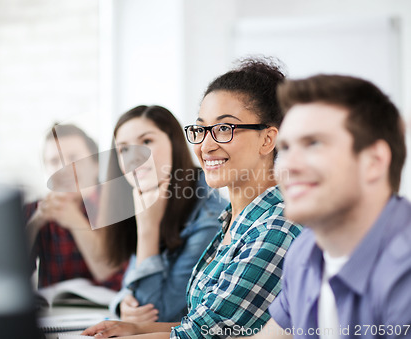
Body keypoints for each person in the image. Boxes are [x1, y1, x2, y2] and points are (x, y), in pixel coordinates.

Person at [82, 57, 303, 339]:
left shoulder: (276, 226)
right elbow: (205, 325)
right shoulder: (234, 221)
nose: (206, 145)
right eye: (201, 130)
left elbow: (203, 337)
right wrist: (135, 327)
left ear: (267, 140)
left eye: (224, 128)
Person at [248, 74, 411, 338]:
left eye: (313, 143)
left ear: (374, 161)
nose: (288, 166)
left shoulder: (404, 271)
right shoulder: (305, 251)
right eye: (286, 148)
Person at [99, 105, 226, 322]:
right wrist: (121, 304)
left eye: (147, 142)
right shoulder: (149, 198)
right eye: (124, 149)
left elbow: (158, 313)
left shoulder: (209, 215)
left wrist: (148, 229)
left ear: (174, 144)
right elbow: (131, 286)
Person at [24, 123, 124, 289]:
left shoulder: (117, 204)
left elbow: (113, 275)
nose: (63, 168)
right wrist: (35, 224)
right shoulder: (35, 211)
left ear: (95, 164)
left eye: (74, 158)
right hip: (56, 312)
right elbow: (9, 275)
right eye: (54, 161)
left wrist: (75, 221)